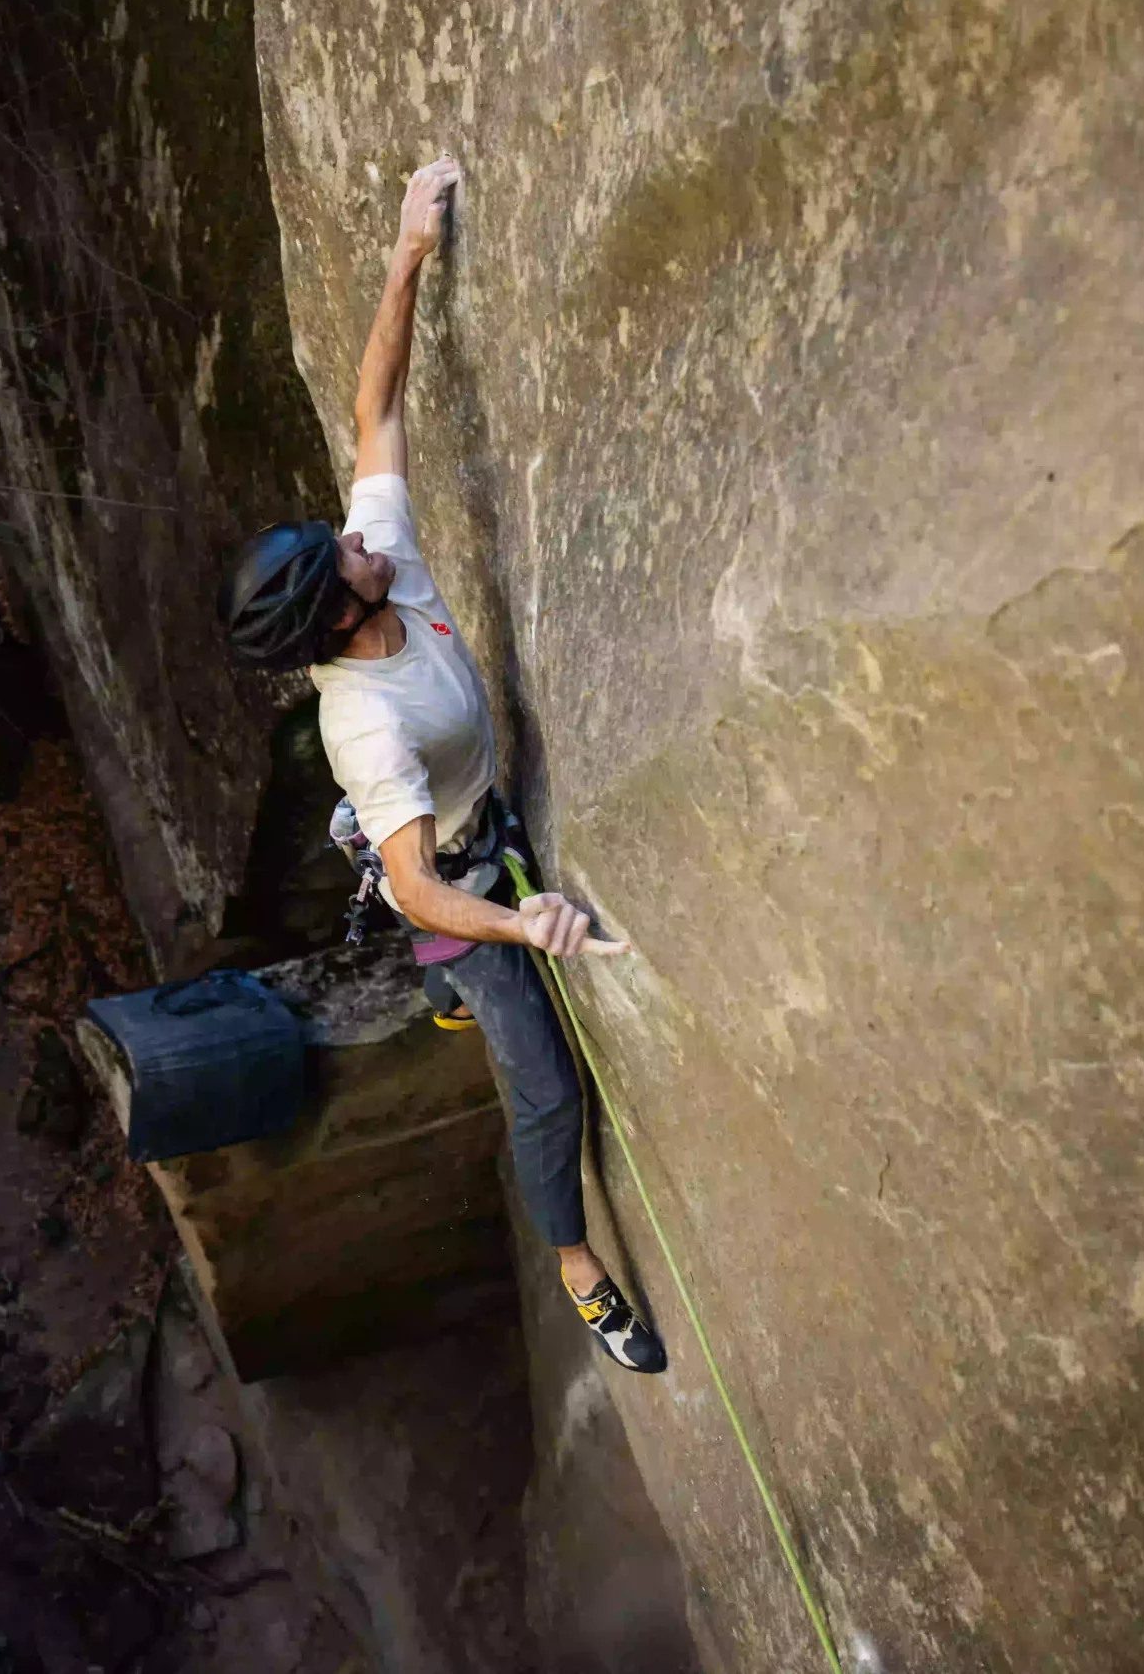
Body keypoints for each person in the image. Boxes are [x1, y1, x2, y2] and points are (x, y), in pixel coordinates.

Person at [216, 154, 665, 1374]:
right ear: (337, 615)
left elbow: (377, 407)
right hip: (453, 879)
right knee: (546, 1092)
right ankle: (578, 1267)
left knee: (452, 971)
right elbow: (420, 891)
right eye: (341, 555)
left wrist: (407, 250)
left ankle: (447, 991)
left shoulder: (378, 565)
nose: (355, 537)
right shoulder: (364, 724)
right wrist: (532, 930)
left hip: (462, 824)